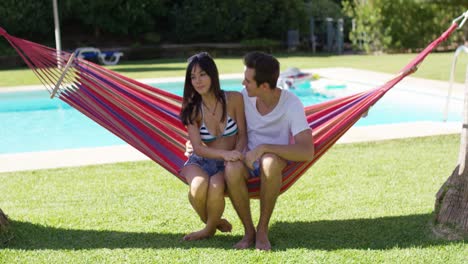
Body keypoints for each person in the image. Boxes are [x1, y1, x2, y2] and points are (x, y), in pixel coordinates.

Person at [224, 51, 315, 250]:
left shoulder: (291, 104)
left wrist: (264, 148)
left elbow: (307, 151)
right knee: (231, 168)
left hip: (275, 160)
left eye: (248, 80)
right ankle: (249, 232)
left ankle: (262, 230)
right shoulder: (243, 98)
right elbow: (217, 118)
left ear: (264, 86)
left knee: (269, 161)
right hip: (248, 160)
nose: (243, 83)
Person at [179, 52, 247, 241]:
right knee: (198, 187)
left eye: (202, 74)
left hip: (226, 163)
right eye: (193, 77)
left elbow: (243, 134)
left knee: (216, 186)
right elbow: (198, 149)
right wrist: (226, 155)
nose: (198, 81)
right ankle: (213, 223)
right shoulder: (193, 109)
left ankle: (207, 230)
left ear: (212, 75)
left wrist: (236, 156)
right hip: (201, 160)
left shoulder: (234, 99)